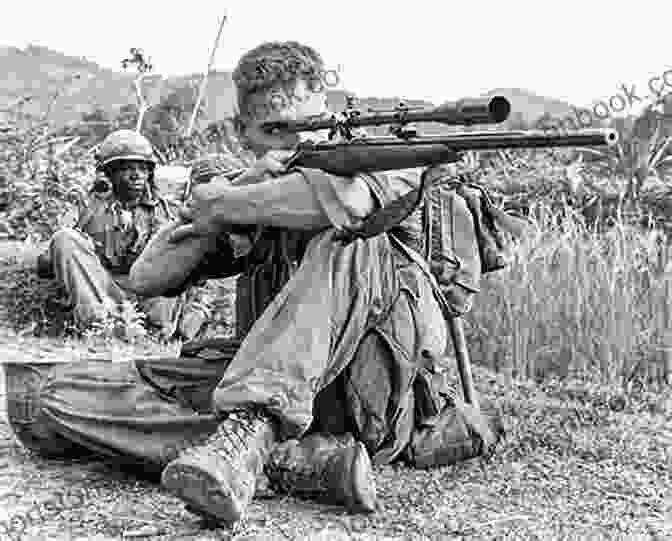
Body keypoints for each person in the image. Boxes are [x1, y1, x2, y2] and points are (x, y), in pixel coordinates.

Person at [7, 41, 504, 528]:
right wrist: (241, 189)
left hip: (372, 398)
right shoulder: (251, 193)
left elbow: (346, 206)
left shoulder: (390, 155)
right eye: (276, 130)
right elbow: (148, 276)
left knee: (346, 238)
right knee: (52, 396)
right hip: (282, 391)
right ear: (245, 133)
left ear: (327, 111)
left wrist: (226, 203)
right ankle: (295, 461)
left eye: (308, 125)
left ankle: (250, 433)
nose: (297, 142)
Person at [35, 129, 212, 340]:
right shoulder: (86, 207)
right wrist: (78, 241)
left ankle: (154, 331)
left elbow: (200, 272)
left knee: (179, 241)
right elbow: (45, 263)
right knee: (66, 237)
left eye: (142, 168)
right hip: (103, 295)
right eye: (127, 169)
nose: (136, 175)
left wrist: (197, 311)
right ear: (109, 173)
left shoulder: (169, 211)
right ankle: (100, 328)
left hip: (152, 299)